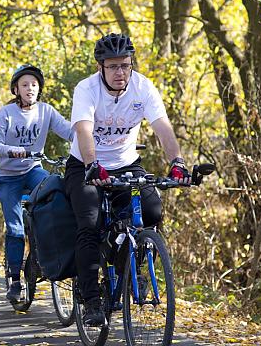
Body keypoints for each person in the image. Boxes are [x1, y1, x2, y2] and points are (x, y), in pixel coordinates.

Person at [64, 33, 191, 326]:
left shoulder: (143, 87)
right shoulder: (87, 89)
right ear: (101, 68)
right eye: (113, 67)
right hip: (85, 164)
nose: (120, 72)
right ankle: (92, 299)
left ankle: (129, 266)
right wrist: (92, 165)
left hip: (127, 164)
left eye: (125, 65)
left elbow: (162, 127)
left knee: (152, 211)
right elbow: (84, 130)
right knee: (90, 223)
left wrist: (178, 162)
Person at [0, 64, 75, 302]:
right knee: (15, 229)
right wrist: (13, 151)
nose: (30, 89)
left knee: (56, 191)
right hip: (8, 177)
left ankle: (47, 254)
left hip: (33, 169)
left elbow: (69, 131)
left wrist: (90, 137)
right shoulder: (6, 113)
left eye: (34, 85)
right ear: (16, 89)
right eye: (25, 85)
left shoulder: (46, 111)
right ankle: (15, 279)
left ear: (39, 89)